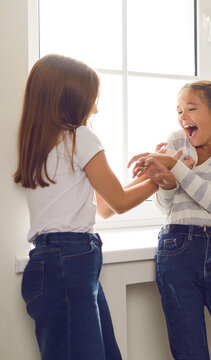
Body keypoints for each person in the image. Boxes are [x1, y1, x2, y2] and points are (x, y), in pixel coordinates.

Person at [13, 54, 160, 360]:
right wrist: (159, 179)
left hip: (50, 261)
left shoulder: (40, 143)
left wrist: (146, 178)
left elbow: (104, 207)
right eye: (92, 99)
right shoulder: (81, 136)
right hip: (71, 260)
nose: (96, 107)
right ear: (72, 99)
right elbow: (119, 203)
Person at [129, 80, 211, 360]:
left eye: (191, 108)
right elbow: (166, 207)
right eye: (178, 111)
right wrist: (165, 182)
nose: (182, 116)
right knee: (189, 351)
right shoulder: (177, 140)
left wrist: (174, 167)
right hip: (177, 246)